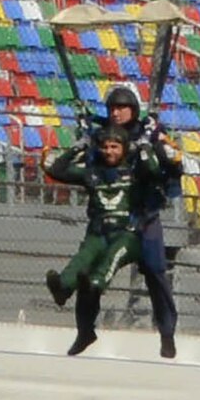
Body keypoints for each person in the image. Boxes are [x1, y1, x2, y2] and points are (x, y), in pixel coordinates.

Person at [43, 125, 149, 356]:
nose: (109, 151)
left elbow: (153, 170)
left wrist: (145, 146)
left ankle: (94, 286)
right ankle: (63, 289)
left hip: (126, 235)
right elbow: (55, 169)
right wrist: (78, 147)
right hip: (99, 233)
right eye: (105, 147)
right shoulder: (92, 172)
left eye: (114, 147)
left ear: (124, 149)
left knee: (107, 264)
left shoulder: (135, 172)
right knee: (82, 259)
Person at [101, 84, 183, 358]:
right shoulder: (104, 136)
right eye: (112, 108)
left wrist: (155, 147)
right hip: (114, 215)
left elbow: (174, 164)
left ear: (133, 110)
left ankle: (167, 332)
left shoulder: (151, 133)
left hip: (144, 215)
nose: (116, 113)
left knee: (156, 273)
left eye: (121, 108)